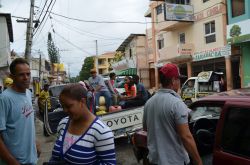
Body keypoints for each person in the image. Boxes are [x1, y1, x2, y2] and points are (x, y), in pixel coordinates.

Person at [143, 63, 202, 165]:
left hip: (154, 160)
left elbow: (146, 128)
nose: (180, 82)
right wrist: (199, 162)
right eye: (179, 79)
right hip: (174, 161)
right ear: (173, 80)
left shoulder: (149, 102)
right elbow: (186, 137)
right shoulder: (176, 104)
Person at [49, 84, 116, 164]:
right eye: (63, 107)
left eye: (68, 106)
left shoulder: (101, 131)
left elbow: (109, 163)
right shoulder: (63, 123)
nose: (65, 110)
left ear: (82, 101)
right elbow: (56, 157)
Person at [0, 58, 39, 165]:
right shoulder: (4, 99)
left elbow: (26, 123)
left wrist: (35, 144)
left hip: (31, 158)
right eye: (21, 74)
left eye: (28, 74)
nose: (26, 78)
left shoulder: (28, 93)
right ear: (12, 77)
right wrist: (12, 162)